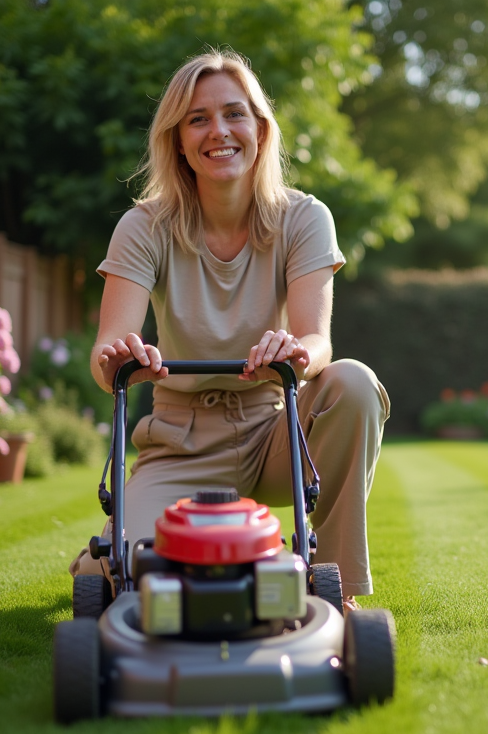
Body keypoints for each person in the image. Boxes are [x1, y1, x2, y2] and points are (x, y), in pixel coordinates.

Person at [69, 49, 390, 610]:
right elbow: (106, 356)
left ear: (261, 130)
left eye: (234, 114)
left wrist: (293, 353)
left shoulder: (304, 217)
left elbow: (319, 342)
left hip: (275, 432)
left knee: (354, 383)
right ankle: (101, 555)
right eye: (198, 119)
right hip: (180, 439)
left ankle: (333, 589)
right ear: (178, 140)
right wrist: (121, 357)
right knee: (133, 575)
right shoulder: (144, 226)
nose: (219, 131)